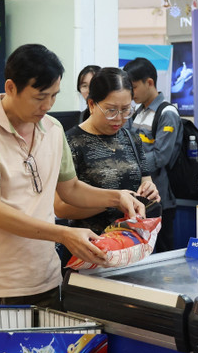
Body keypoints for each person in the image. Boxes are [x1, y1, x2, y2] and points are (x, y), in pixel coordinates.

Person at [0, 44, 144, 308]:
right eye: (39, 96)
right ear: (10, 88)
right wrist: (63, 234)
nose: (48, 105)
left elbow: (71, 189)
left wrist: (118, 197)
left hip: (45, 279)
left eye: (54, 95)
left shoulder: (52, 129)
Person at [56, 67, 160, 235]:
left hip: (133, 242)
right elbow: (61, 208)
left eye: (126, 109)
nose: (119, 118)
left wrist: (149, 190)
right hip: (92, 247)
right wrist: (115, 201)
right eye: (111, 110)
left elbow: (144, 182)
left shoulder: (131, 139)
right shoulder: (70, 142)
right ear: (91, 104)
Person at [124, 57, 182, 252]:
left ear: (149, 82)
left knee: (162, 253)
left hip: (160, 200)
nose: (131, 94)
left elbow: (160, 157)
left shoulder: (167, 113)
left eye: (134, 87)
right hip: (140, 197)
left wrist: (129, 165)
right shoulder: (137, 112)